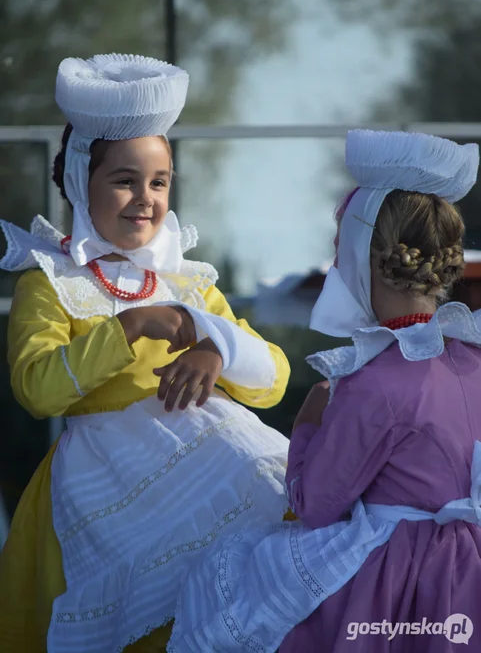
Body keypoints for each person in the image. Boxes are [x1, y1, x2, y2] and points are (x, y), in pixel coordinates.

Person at [0, 54, 291, 653]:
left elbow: (275, 378)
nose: (145, 198)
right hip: (103, 480)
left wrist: (216, 350)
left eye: (159, 182)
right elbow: (37, 389)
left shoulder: (189, 282)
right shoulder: (48, 280)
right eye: (124, 179)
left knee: (281, 504)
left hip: (208, 469)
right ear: (82, 181)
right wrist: (127, 327)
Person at [169, 129, 481, 653]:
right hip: (466, 574)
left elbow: (316, 504)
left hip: (398, 586)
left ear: (363, 257)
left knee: (226, 578)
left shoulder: (374, 381)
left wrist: (309, 423)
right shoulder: (472, 357)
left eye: (340, 248)